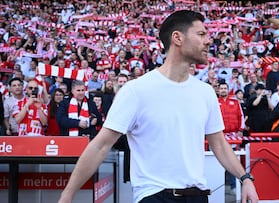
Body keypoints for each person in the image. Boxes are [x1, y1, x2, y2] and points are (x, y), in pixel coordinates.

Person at [58, 10, 258, 203]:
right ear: (177, 38)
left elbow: (220, 145)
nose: (208, 40)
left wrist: (245, 178)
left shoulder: (205, 92)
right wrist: (67, 196)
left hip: (199, 196)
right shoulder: (137, 91)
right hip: (155, 196)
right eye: (201, 34)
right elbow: (101, 145)